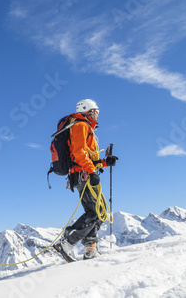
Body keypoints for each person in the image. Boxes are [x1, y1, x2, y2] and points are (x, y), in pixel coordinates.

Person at [54, 99, 118, 261]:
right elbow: (79, 152)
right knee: (97, 212)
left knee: (96, 212)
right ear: (89, 111)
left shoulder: (85, 127)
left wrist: (104, 162)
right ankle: (68, 241)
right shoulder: (81, 126)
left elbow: (87, 155)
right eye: (96, 111)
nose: (97, 114)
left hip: (83, 173)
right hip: (84, 174)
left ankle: (90, 247)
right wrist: (91, 171)